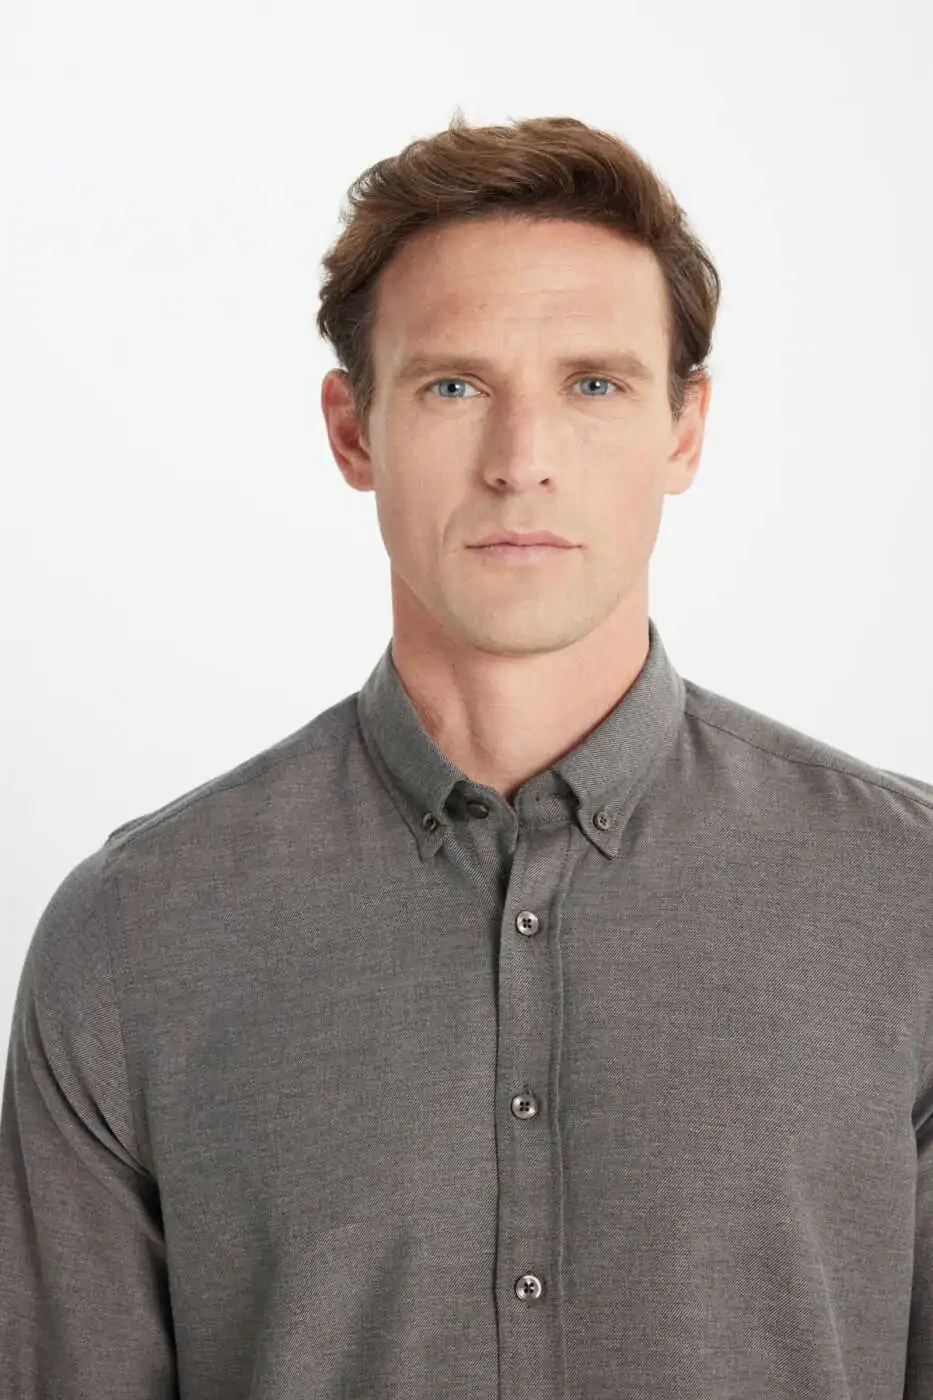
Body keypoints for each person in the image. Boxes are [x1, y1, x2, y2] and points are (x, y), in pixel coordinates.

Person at [1, 110, 930, 1400]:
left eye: (594, 386)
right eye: (454, 386)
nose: (521, 462)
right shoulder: (133, 941)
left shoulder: (907, 902)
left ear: (684, 429)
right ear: (353, 431)